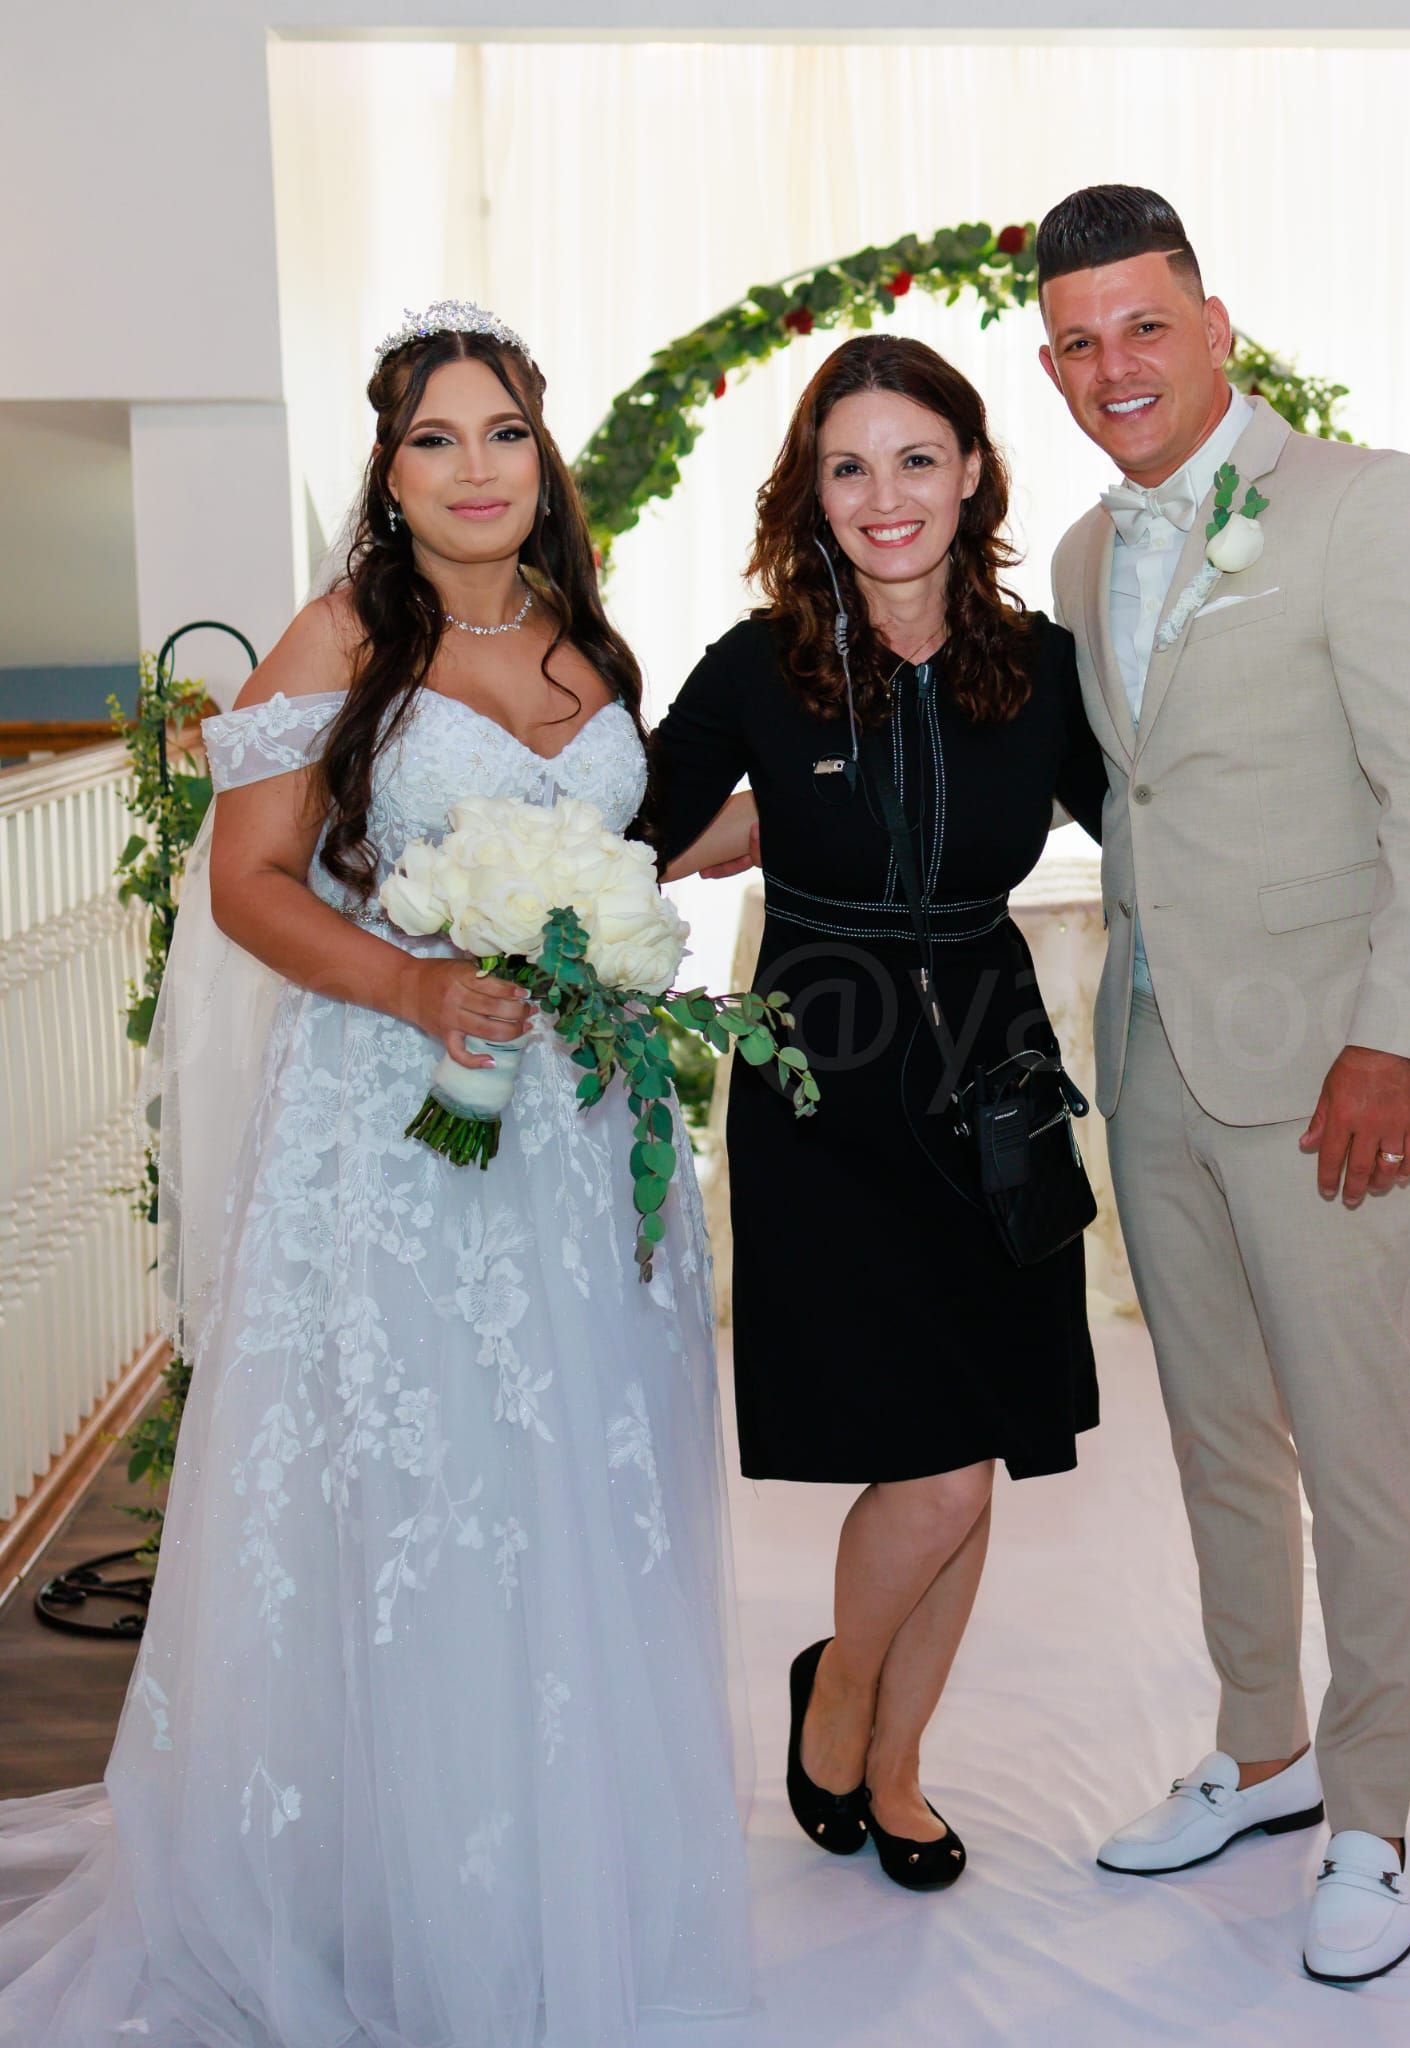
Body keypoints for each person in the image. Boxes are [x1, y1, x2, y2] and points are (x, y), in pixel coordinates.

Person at [0, 303, 751, 2047]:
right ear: (388, 471)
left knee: (574, 1491)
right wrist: (414, 981)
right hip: (394, 1130)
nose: (474, 468)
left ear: (541, 458)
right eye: (435, 439)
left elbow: (632, 846)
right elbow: (247, 881)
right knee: (422, 1503)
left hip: (572, 1139)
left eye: (502, 434)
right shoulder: (338, 637)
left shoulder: (588, 644)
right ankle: (386, 1891)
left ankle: (569, 1872)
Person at [1038, 186, 1410, 1982]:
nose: (1111, 366)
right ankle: (1261, 1756)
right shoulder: (1083, 554)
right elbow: (1127, 794)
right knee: (1214, 1433)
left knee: (1355, 1442)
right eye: (1074, 341)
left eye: (1141, 325)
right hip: (1151, 1047)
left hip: (1325, 1068)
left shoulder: (1361, 503)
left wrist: (1397, 1038)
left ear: (1213, 324)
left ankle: (1370, 1820)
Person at [655, 334, 1107, 1891]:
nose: (885, 494)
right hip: (819, 1079)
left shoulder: (1045, 668)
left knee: (970, 1449)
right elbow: (618, 834)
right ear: (811, 494)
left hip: (987, 1070)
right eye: (848, 465)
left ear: (971, 470)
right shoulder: (753, 664)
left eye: (916, 457)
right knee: (930, 1460)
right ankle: (840, 1692)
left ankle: (882, 1747)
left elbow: (1171, 829)